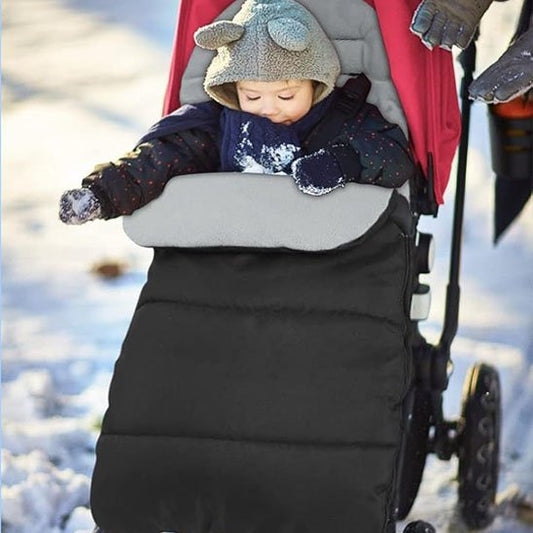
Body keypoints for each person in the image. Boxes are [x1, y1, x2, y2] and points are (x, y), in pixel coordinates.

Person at [59, 0, 415, 226]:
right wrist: (102, 193)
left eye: (286, 95)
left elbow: (394, 157)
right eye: (252, 96)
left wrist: (342, 163)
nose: (268, 108)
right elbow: (161, 159)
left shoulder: (347, 118)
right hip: (235, 244)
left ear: (316, 84)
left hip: (326, 247)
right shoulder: (218, 125)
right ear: (233, 90)